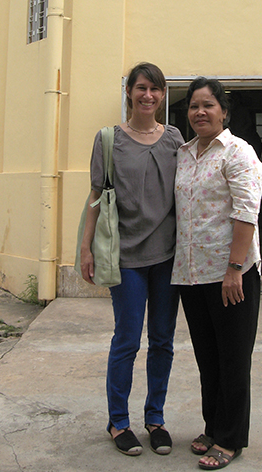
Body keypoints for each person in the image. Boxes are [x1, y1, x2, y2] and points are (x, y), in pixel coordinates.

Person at [80, 62, 184, 457]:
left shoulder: (175, 138)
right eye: (141, 88)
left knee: (163, 341)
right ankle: (118, 421)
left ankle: (155, 418)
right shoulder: (109, 140)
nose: (148, 96)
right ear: (129, 91)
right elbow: (95, 197)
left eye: (155, 89)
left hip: (168, 258)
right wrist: (87, 248)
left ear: (162, 94)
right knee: (127, 339)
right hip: (126, 256)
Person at [172, 77, 262, 470]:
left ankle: (231, 439)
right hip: (192, 275)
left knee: (232, 358)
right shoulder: (185, 153)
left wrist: (234, 269)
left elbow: (246, 211)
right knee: (207, 358)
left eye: (208, 105)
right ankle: (213, 427)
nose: (200, 112)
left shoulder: (238, 153)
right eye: (194, 105)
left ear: (223, 111)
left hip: (231, 275)